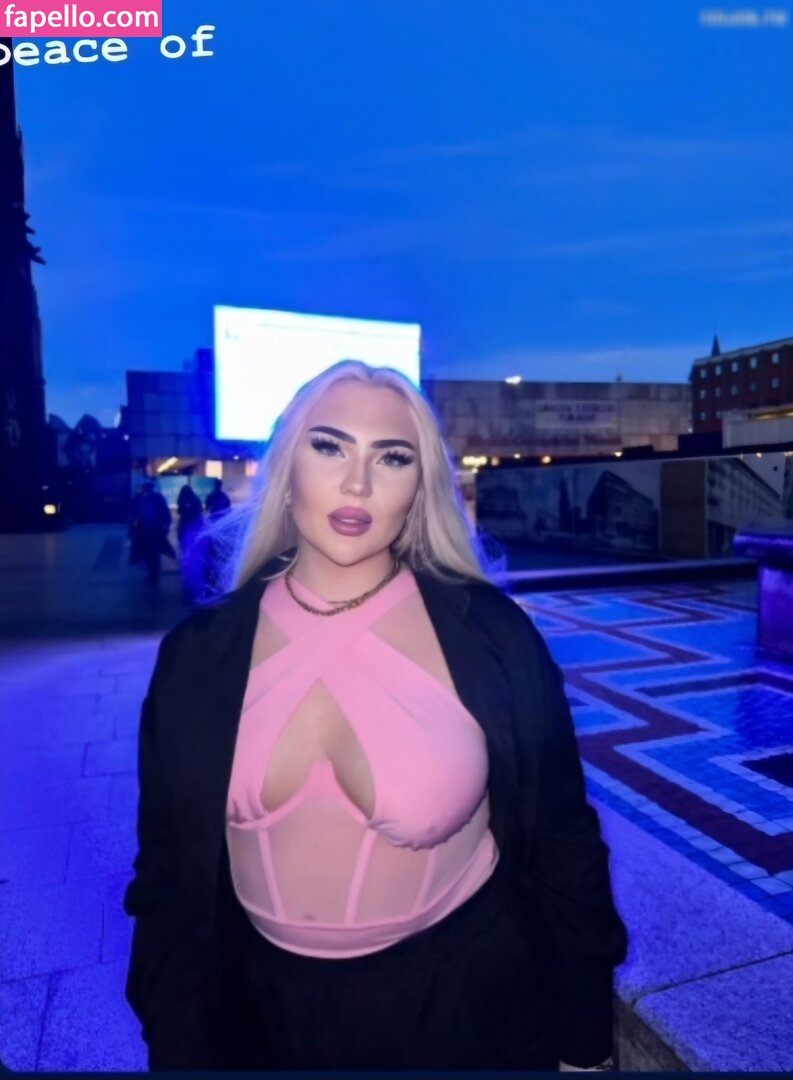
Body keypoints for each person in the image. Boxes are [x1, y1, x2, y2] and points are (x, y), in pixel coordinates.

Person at [123, 361, 628, 1072]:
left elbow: (561, 839)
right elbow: (167, 880)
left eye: (391, 458)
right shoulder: (197, 655)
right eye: (329, 447)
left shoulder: (493, 635)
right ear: (286, 467)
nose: (357, 484)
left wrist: (584, 1043)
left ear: (419, 487)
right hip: (257, 1025)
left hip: (467, 1017)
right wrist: (175, 1045)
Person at [132, 480, 175, 584]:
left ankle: (152, 574)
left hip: (147, 530)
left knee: (149, 553)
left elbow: (136, 514)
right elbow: (166, 513)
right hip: (154, 530)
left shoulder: (142, 499)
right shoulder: (157, 498)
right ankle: (154, 574)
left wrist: (133, 528)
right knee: (153, 553)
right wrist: (166, 527)